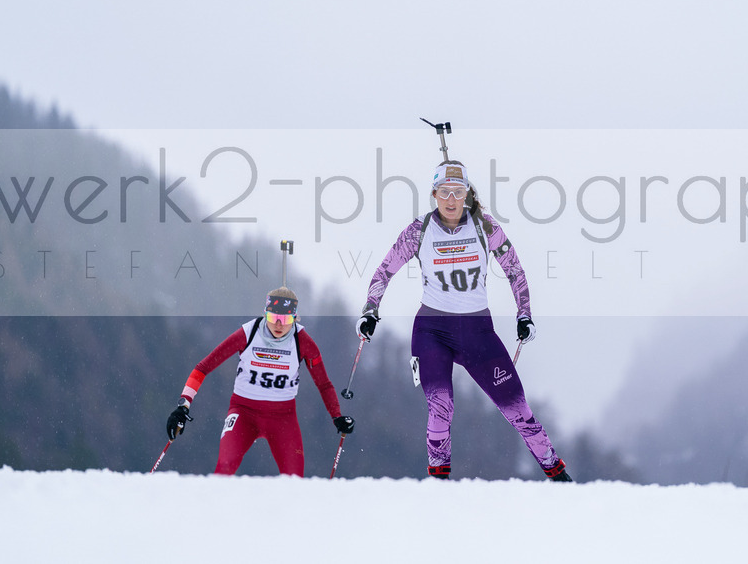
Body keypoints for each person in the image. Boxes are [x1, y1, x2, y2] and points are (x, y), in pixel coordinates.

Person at [357, 160, 572, 481]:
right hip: (432, 331)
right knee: (441, 408)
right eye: (444, 192)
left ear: (467, 193)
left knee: (517, 410)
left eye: (458, 192)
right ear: (434, 194)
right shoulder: (419, 230)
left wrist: (524, 314)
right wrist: (370, 309)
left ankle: (559, 476)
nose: (451, 199)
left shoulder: (485, 226)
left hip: (477, 333)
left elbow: (514, 269)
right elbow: (385, 270)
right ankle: (439, 484)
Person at [166, 286, 354, 476]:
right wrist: (184, 405)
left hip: (283, 418)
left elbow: (324, 384)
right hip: (243, 413)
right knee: (224, 468)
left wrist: (336, 416)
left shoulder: (302, 341)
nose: (279, 325)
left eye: (286, 319)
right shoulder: (248, 333)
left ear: (295, 319)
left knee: (295, 481)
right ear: (265, 314)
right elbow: (203, 367)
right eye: (273, 318)